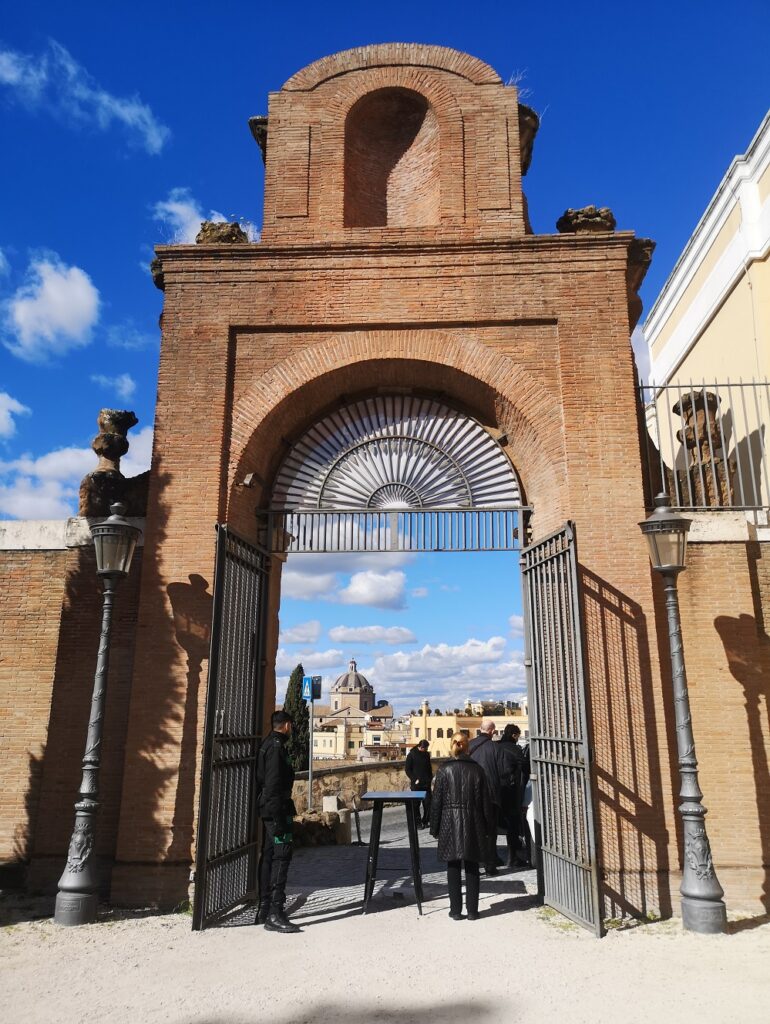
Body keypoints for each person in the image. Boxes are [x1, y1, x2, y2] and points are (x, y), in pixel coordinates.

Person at [430, 732, 495, 920]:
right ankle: (473, 911)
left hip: (449, 822)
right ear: (468, 747)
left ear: (452, 746)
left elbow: (437, 803)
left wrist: (434, 828)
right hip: (473, 822)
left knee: (453, 866)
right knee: (473, 866)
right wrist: (488, 828)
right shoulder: (477, 770)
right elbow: (485, 802)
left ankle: (455, 910)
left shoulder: (444, 770)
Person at [256, 710, 300, 933]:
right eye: (291, 726)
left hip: (270, 808)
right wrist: (277, 818)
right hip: (276, 810)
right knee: (281, 856)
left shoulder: (268, 744)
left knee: (269, 855)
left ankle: (264, 908)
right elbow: (272, 784)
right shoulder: (275, 748)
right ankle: (275, 912)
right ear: (286, 726)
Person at [469, 718, 503, 872]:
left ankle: (475, 864)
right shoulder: (496, 748)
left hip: (471, 795)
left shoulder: (469, 746)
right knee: (490, 831)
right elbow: (504, 771)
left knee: (474, 830)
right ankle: (490, 864)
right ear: (492, 731)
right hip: (491, 795)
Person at [497, 723, 526, 868]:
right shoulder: (515, 749)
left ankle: (492, 858)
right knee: (512, 826)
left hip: (495, 790)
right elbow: (525, 767)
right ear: (514, 735)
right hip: (511, 791)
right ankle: (512, 857)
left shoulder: (495, 747)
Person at [405, 738, 433, 827]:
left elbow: (429, 768)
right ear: (421, 747)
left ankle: (426, 820)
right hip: (416, 785)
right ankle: (417, 823)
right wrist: (414, 779)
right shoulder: (411, 755)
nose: (426, 750)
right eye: (425, 748)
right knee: (416, 805)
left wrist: (430, 778)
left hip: (426, 784)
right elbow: (407, 769)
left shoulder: (426, 755)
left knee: (428, 804)